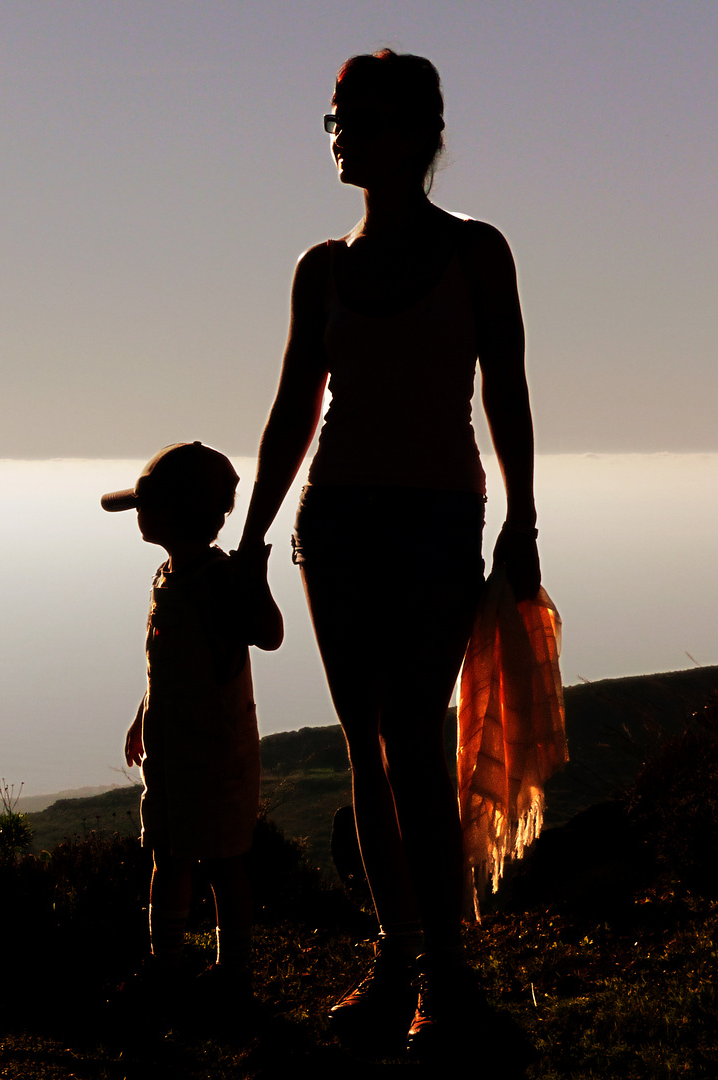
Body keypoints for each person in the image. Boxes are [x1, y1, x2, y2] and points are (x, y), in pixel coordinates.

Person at [234, 50, 541, 1057]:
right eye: (336, 119)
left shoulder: (476, 251)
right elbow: (293, 409)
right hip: (338, 520)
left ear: (419, 133)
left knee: (411, 732)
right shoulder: (320, 269)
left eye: (363, 119)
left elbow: (507, 393)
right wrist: (251, 538)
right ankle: (401, 960)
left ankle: (443, 974)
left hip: (438, 518)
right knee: (368, 745)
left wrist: (522, 522)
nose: (344, 135)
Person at [102, 441, 261, 1007]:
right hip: (173, 750)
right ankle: (166, 967)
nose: (138, 517)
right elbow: (167, 664)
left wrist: (253, 578)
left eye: (144, 507)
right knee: (167, 853)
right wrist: (142, 716)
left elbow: (268, 631)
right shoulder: (168, 576)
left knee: (222, 861)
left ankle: (233, 973)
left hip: (215, 752)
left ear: (168, 513)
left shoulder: (215, 580)